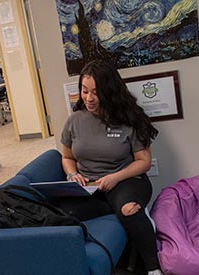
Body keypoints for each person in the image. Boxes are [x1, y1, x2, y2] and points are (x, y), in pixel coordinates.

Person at [58, 60, 162, 275]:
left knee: (128, 210)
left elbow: (144, 162)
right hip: (89, 187)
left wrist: (116, 177)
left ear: (109, 91)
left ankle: (154, 268)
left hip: (126, 180)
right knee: (61, 214)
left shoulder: (129, 119)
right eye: (84, 91)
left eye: (95, 93)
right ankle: (113, 207)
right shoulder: (74, 121)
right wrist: (72, 173)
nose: (88, 98)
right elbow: (67, 156)